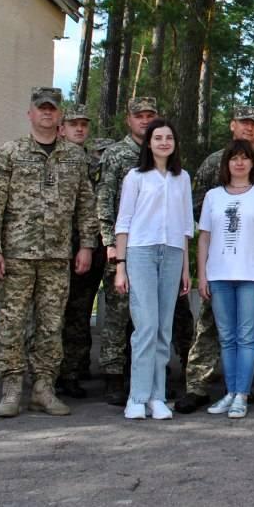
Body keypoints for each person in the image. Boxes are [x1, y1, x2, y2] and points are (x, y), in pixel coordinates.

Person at [0, 87, 97, 418]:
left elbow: (85, 204)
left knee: (51, 325)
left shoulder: (75, 157)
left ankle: (43, 388)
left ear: (59, 115)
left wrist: (86, 245)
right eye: (41, 108)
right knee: (12, 323)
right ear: (30, 114)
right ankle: (12, 387)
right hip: (16, 254)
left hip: (57, 256)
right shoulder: (11, 152)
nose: (47, 112)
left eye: (52, 108)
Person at [177, 106, 254, 413]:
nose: (249, 128)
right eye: (243, 122)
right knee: (211, 328)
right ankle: (199, 384)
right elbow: (198, 206)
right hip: (220, 267)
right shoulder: (214, 162)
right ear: (233, 125)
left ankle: (246, 385)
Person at [113, 119, 194, 420]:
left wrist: (186, 268)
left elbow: (185, 226)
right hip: (141, 253)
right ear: (149, 143)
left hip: (172, 253)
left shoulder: (182, 178)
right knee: (145, 326)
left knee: (163, 328)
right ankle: (137, 397)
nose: (163, 142)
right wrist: (120, 266)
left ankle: (157, 397)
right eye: (157, 137)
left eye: (168, 137)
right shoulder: (136, 177)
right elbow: (123, 223)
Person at [196, 140, 254, 420]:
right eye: (234, 158)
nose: (239, 163)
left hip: (252, 277)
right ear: (227, 163)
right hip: (219, 276)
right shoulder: (213, 196)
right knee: (227, 337)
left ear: (253, 163)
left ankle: (242, 394)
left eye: (245, 158)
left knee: (246, 337)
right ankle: (230, 392)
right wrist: (202, 275)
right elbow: (204, 238)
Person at [95, 97, 160, 405]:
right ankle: (113, 375)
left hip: (152, 246)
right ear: (128, 120)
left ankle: (143, 375)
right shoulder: (117, 154)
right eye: (139, 116)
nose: (144, 120)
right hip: (123, 245)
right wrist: (109, 241)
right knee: (118, 314)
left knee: (146, 314)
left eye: (150, 115)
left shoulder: (160, 151)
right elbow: (104, 199)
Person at [58, 105, 108, 398]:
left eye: (84, 124)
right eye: (73, 124)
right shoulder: (52, 159)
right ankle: (48, 371)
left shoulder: (95, 163)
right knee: (52, 314)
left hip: (88, 246)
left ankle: (73, 371)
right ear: (61, 128)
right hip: (54, 247)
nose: (79, 129)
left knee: (79, 310)